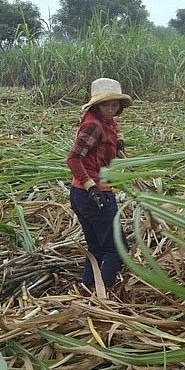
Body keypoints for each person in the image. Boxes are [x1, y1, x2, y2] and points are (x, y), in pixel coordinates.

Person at [66, 77, 132, 290]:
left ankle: (88, 288)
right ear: (96, 105)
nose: (111, 109)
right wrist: (91, 186)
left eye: (115, 105)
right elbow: (73, 158)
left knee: (95, 247)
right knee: (116, 249)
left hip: (80, 194)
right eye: (106, 105)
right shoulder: (93, 126)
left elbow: (113, 126)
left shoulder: (105, 121)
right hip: (93, 194)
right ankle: (104, 296)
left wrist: (119, 140)